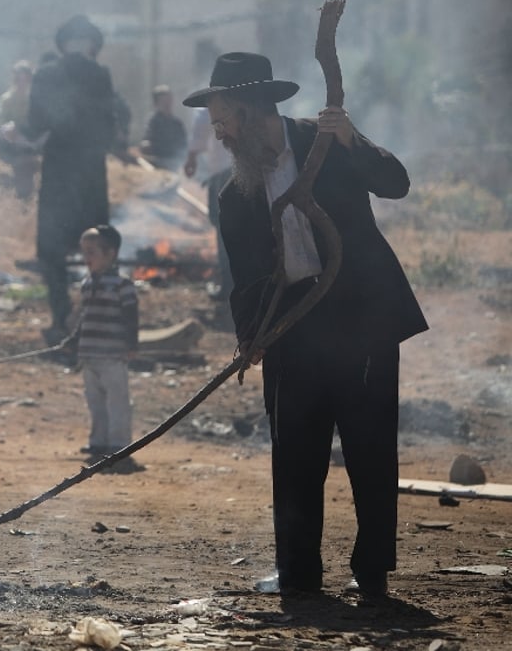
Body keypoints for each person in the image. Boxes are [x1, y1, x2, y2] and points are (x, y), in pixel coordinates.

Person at [183, 52, 428, 599]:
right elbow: (244, 278)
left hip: (362, 321)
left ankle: (373, 572)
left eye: (223, 119)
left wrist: (355, 141)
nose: (218, 133)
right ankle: (299, 575)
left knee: (369, 452)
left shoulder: (326, 145)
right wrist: (251, 338)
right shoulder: (232, 191)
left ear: (251, 110)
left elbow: (396, 184)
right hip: (292, 330)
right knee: (294, 457)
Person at [25, 15, 131, 342]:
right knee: (97, 245)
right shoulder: (100, 75)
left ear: (63, 45)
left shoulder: (45, 74)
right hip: (90, 173)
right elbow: (110, 127)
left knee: (52, 250)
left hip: (58, 172)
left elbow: (36, 124)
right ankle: (97, 317)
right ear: (90, 45)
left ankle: (61, 319)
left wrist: (17, 135)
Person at [63, 225, 143, 473]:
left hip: (112, 355)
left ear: (110, 254)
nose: (86, 258)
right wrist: (73, 340)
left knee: (117, 402)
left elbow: (131, 317)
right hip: (89, 354)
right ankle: (99, 442)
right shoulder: (87, 284)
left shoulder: (122, 285)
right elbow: (84, 318)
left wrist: (131, 345)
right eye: (83, 252)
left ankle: (119, 446)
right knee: (95, 400)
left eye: (91, 252)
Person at [184, 105, 235, 299]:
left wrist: (191, 159)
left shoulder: (209, 108)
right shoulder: (249, 100)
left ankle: (229, 286)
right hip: (252, 171)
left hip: (223, 176)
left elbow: (199, 136)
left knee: (224, 230)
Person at [0, 60, 42, 199]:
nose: (22, 83)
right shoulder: (6, 99)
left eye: (25, 79)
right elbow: (1, 123)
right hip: (11, 140)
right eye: (19, 79)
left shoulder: (33, 99)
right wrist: (12, 130)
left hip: (29, 138)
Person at [139, 85, 188, 171]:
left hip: (176, 161)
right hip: (159, 160)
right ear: (156, 103)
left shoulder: (177, 123)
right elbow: (148, 139)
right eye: (164, 101)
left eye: (169, 100)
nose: (167, 104)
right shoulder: (153, 121)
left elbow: (184, 144)